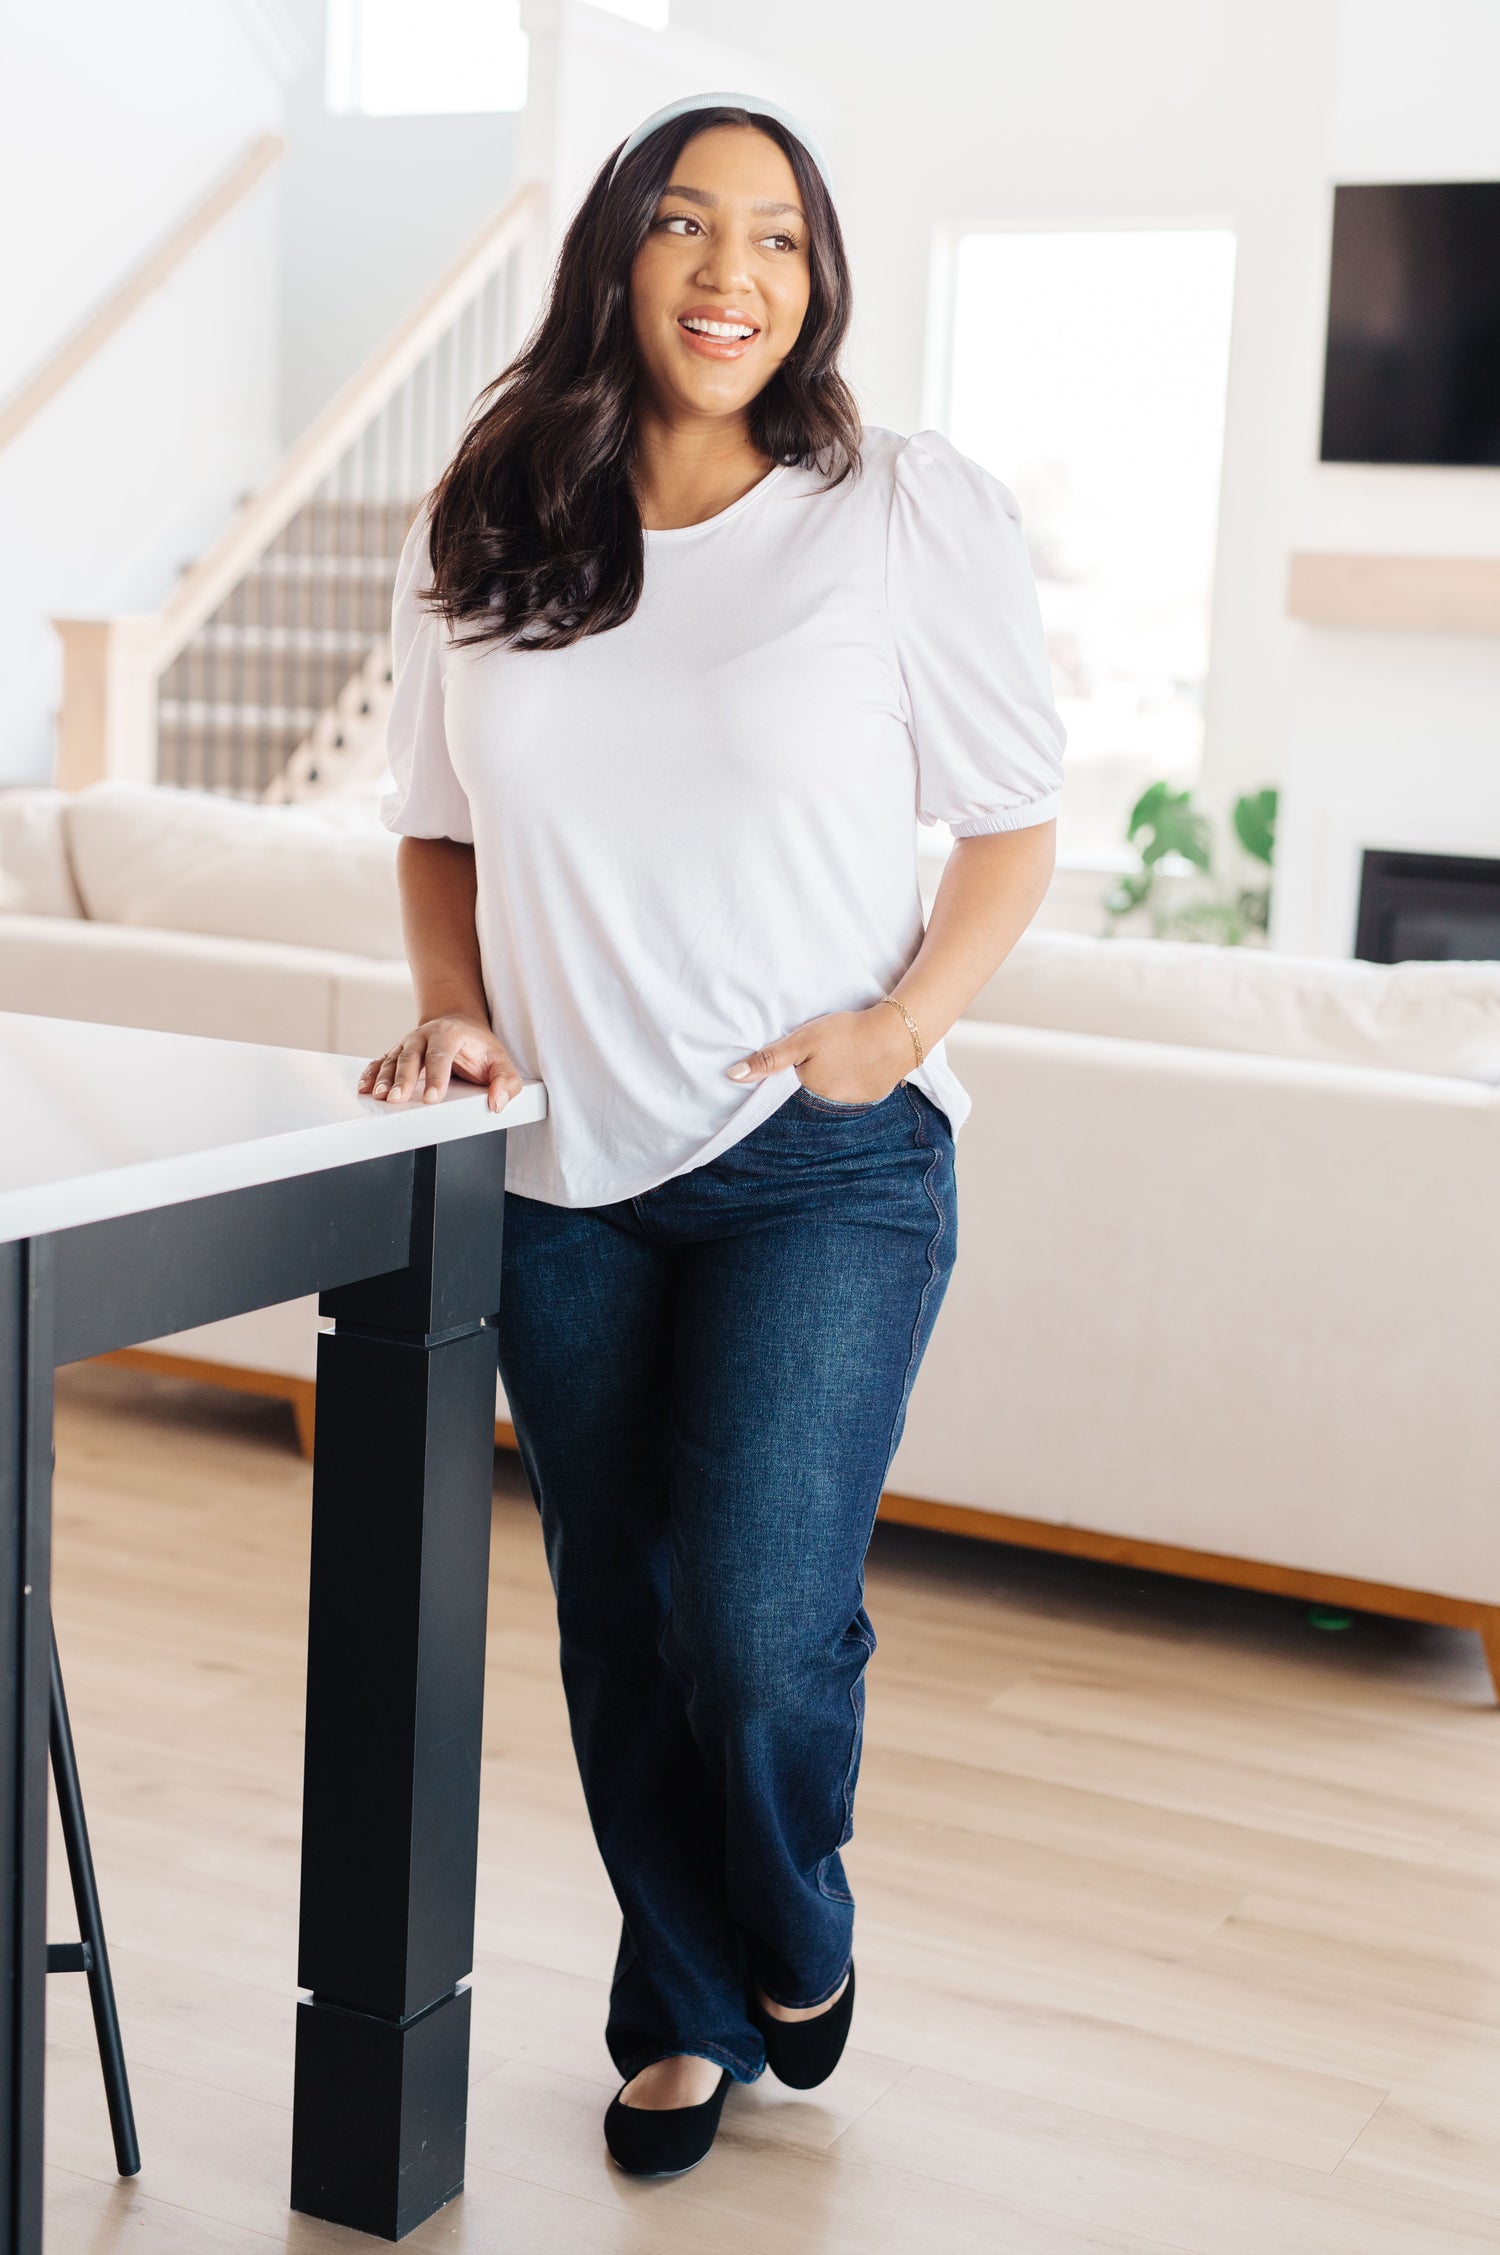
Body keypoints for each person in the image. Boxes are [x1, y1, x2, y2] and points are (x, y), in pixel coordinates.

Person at [360, 91, 1064, 2179]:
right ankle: (681, 2010)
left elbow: (1016, 825)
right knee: (615, 1622)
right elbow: (435, 830)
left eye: (775, 236)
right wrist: (456, 1017)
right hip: (564, 1171)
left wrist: (902, 1025)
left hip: (823, 1162)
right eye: (685, 224)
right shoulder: (490, 515)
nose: (729, 271)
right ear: (616, 256)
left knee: (756, 1622)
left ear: (820, 281)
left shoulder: (894, 512)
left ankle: (788, 1927)